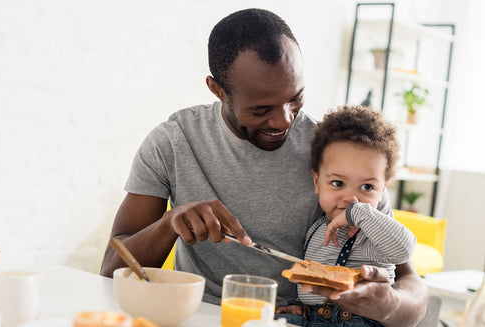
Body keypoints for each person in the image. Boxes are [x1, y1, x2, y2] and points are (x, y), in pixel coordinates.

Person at [100, 8, 428, 326]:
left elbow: (413, 292)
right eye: (261, 109)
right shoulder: (173, 143)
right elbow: (111, 270)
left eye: (295, 99)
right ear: (217, 90)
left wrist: (388, 304)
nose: (284, 120)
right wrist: (169, 222)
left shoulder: (336, 155)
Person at [275, 105, 417, 326]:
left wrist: (360, 213)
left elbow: (404, 250)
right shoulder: (316, 228)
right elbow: (313, 285)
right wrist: (301, 305)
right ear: (316, 182)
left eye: (367, 187)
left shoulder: (375, 230)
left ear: (383, 189)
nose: (351, 198)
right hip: (314, 318)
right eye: (337, 183)